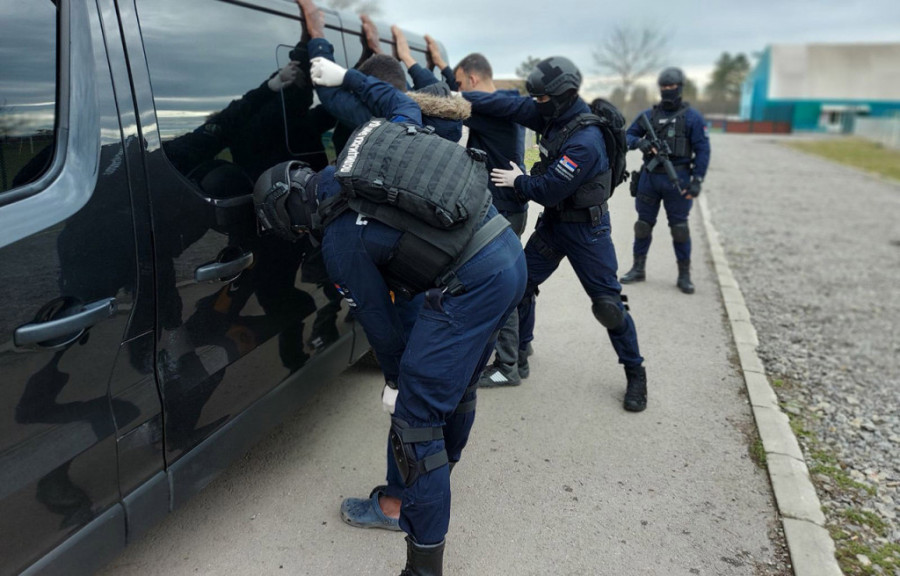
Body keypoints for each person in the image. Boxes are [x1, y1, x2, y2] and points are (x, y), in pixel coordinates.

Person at [269, 4, 526, 574]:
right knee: (455, 388)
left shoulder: (339, 238)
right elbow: (398, 98)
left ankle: (409, 526)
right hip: (504, 252)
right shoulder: (374, 140)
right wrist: (348, 73)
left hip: (470, 283)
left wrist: (393, 379)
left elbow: (379, 324)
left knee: (415, 421)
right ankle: (434, 479)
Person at [461, 56, 649, 412]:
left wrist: (518, 180)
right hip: (554, 226)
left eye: (543, 98)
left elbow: (548, 190)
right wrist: (455, 97)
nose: (537, 103)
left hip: (587, 232)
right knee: (520, 287)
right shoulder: (550, 114)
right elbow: (509, 106)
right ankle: (519, 356)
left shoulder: (586, 140)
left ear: (562, 95)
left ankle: (635, 372)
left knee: (608, 306)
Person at [415, 40, 530, 388]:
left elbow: (448, 103)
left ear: (474, 79)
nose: (460, 89)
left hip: (502, 210)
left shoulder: (489, 111)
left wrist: (410, 67)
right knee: (509, 279)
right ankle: (519, 355)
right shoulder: (506, 103)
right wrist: (439, 64)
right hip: (512, 208)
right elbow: (457, 91)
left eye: (462, 83)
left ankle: (507, 366)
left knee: (499, 285)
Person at [620, 67, 711, 294]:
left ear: (680, 88)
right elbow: (627, 136)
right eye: (664, 87)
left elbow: (703, 149)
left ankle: (684, 275)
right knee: (643, 226)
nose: (667, 90)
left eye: (672, 86)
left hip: (678, 177)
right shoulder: (648, 116)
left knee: (680, 229)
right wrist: (640, 143)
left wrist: (697, 179)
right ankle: (638, 269)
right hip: (650, 178)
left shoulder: (692, 117)